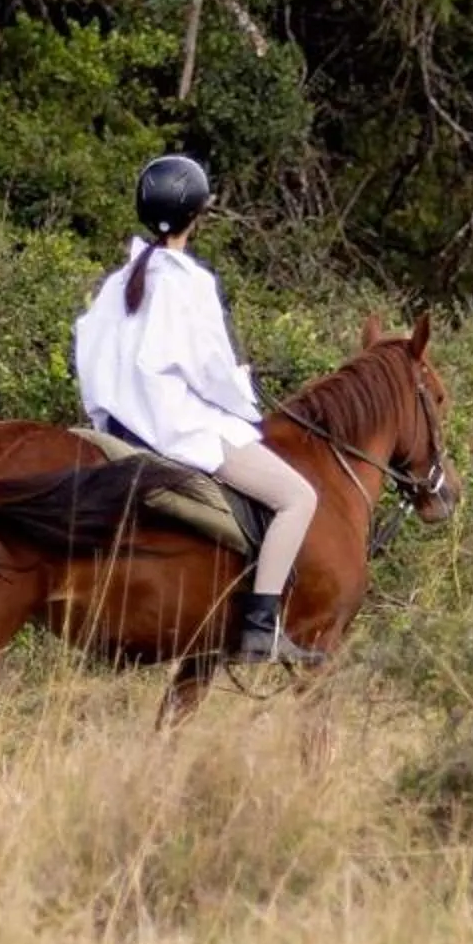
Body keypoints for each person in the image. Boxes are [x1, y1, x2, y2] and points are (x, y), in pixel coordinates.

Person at [73, 155, 319, 663]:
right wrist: (243, 392)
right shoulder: (190, 283)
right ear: (196, 215)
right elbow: (210, 371)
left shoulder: (115, 284)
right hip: (181, 432)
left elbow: (90, 363)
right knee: (298, 498)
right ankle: (261, 627)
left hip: (119, 432)